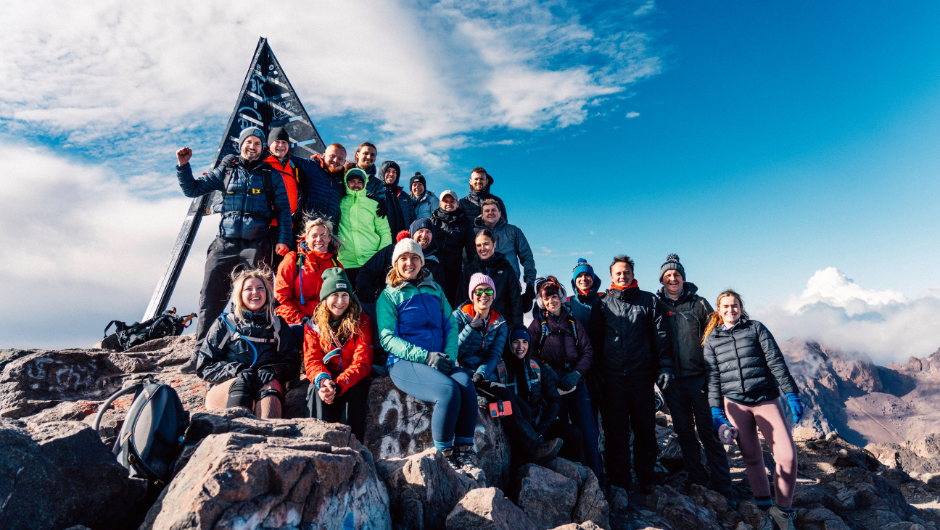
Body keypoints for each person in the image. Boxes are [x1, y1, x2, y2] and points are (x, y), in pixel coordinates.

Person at [176, 128, 292, 345]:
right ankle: (203, 349)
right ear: (241, 146)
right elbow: (193, 189)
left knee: (259, 295)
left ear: (262, 147)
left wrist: (283, 240)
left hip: (257, 242)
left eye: (257, 143)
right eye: (249, 142)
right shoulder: (226, 171)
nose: (253, 146)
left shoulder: (271, 174)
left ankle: (258, 344)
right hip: (225, 242)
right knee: (211, 296)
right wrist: (184, 166)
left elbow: (284, 211)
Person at [704, 290, 802, 530]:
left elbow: (776, 361)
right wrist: (716, 414)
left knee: (787, 457)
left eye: (734, 305)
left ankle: (783, 511)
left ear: (741, 307)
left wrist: (791, 393)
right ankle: (765, 512)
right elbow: (713, 379)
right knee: (752, 458)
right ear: (719, 310)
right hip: (735, 404)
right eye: (725, 306)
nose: (730, 310)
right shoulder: (712, 340)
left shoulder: (756, 328)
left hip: (766, 399)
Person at [377, 237, 478, 468]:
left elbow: (450, 324)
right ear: (396, 263)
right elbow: (387, 338)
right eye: (403, 259)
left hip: (440, 359)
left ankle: (464, 453)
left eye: (414, 258)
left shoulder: (435, 289)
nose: (409, 263)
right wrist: (426, 357)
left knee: (466, 385)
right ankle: (445, 459)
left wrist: (449, 357)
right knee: (448, 390)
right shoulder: (389, 294)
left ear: (421, 262)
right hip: (404, 363)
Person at [588, 255, 675, 494]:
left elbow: (661, 337)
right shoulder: (603, 304)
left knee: (645, 430)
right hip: (612, 379)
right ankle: (620, 482)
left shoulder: (649, 300)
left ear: (632, 274)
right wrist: (596, 372)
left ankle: (647, 478)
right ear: (611, 276)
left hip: (641, 376)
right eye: (618, 273)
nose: (622, 276)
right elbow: (594, 341)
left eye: (626, 272)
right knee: (615, 432)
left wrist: (665, 365)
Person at [455, 275, 563, 464]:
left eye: (488, 291)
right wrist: (471, 329)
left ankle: (524, 454)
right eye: (478, 291)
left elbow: (494, 355)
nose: (483, 295)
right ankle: (533, 449)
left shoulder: (499, 322)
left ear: (493, 295)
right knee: (504, 400)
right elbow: (453, 350)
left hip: (483, 375)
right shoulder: (458, 316)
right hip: (461, 372)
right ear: (471, 294)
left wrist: (481, 373)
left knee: (524, 411)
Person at [655, 254, 733, 499]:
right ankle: (696, 480)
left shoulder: (699, 304)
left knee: (709, 432)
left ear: (683, 278)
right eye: (668, 276)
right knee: (685, 433)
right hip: (672, 382)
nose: (672, 278)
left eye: (676, 274)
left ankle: (723, 485)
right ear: (662, 280)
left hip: (700, 379)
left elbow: (716, 335)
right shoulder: (657, 305)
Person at [197, 268, 299, 419]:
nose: (255, 292)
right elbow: (204, 366)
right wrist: (236, 369)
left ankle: (269, 436)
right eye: (248, 289)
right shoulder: (225, 324)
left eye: (260, 288)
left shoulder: (278, 325)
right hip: (227, 388)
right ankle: (234, 432)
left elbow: (291, 362)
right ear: (240, 294)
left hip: (266, 386)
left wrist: (273, 370)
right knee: (242, 382)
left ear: (267, 293)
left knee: (269, 385)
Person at [527, 276, 602, 482]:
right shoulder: (537, 325)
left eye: (554, 296)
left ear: (561, 297)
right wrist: (548, 373)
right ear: (542, 302)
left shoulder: (574, 324)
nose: (552, 301)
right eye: (547, 298)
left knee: (588, 431)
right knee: (561, 432)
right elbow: (530, 353)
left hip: (576, 385)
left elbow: (587, 352)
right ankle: (565, 477)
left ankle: (596, 479)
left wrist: (576, 373)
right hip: (551, 388)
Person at [304, 267, 373, 442]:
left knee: (356, 392)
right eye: (335, 295)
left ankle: (352, 449)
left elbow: (362, 363)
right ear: (325, 298)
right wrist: (325, 382)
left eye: (345, 295)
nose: (340, 301)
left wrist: (339, 385)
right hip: (327, 380)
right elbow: (312, 361)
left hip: (351, 381)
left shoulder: (362, 322)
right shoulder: (313, 326)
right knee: (315, 389)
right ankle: (318, 445)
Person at [497, 325, 583, 465]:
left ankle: (582, 479)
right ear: (508, 343)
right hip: (514, 430)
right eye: (515, 342)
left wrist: (542, 430)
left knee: (574, 435)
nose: (520, 346)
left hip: (538, 424)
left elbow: (554, 400)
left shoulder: (535, 367)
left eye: (525, 342)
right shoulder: (500, 368)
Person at [274, 217, 343, 342]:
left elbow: (344, 298)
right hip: (297, 324)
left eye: (323, 235)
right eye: (314, 235)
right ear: (306, 238)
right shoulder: (292, 261)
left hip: (326, 323)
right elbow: (281, 300)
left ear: (329, 238)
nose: (319, 239)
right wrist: (303, 320)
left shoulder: (336, 265)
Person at [356, 219, 445, 304]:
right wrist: (364, 288)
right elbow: (367, 270)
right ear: (412, 233)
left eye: (428, 232)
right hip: (386, 302)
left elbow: (439, 294)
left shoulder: (435, 263)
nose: (424, 235)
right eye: (420, 231)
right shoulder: (391, 251)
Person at [473, 199, 536, 309]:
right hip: (483, 289)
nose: (490, 213)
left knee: (512, 323)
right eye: (487, 211)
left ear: (500, 213)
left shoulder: (513, 231)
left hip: (510, 286)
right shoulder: (474, 233)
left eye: (494, 210)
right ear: (482, 215)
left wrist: (530, 286)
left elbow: (527, 257)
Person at [336, 168, 392, 288]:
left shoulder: (374, 205)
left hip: (371, 262)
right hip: (346, 262)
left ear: (364, 183)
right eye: (352, 181)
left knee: (370, 302)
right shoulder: (340, 203)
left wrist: (381, 258)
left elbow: (385, 232)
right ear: (346, 183)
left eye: (359, 182)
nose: (356, 185)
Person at [265, 127, 308, 270]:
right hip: (267, 225)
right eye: (277, 141)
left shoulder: (294, 166)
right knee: (265, 268)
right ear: (269, 143)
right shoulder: (262, 164)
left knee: (287, 269)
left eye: (284, 142)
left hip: (289, 226)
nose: (281, 146)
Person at [460, 228, 522, 325]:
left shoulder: (506, 269)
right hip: (475, 326)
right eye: (479, 245)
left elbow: (515, 302)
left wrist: (517, 329)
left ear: (494, 244)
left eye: (486, 244)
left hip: (501, 325)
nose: (482, 248)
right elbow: (461, 301)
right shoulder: (469, 271)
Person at [430, 190, 476, 307]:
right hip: (432, 272)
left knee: (450, 307)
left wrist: (475, 273)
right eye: (446, 201)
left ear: (457, 203)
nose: (449, 204)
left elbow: (472, 251)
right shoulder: (432, 222)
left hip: (453, 274)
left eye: (452, 201)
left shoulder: (464, 224)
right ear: (440, 204)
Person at [378, 160, 416, 236]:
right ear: (382, 173)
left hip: (402, 241)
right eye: (388, 171)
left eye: (394, 172)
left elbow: (412, 219)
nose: (391, 174)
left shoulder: (404, 196)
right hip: (382, 239)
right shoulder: (376, 193)